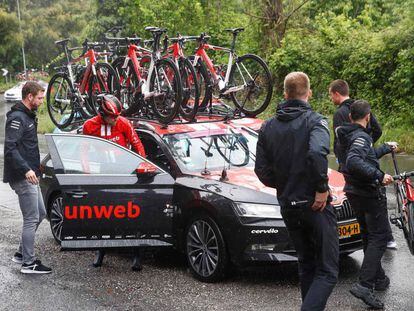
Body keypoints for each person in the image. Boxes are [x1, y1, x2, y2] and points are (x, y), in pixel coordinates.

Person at [255, 72, 339, 311]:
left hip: (289, 205)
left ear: (285, 94)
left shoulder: (267, 126)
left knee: (307, 264)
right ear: (309, 93)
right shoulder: (316, 121)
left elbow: (261, 170)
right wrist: (321, 189)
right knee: (328, 271)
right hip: (315, 205)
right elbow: (316, 153)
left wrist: (286, 183)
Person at [337, 100, 396, 309]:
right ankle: (364, 285)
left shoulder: (347, 135)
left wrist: (384, 149)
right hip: (367, 192)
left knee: (368, 235)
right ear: (368, 116)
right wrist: (379, 176)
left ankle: (378, 278)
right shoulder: (361, 137)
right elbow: (354, 161)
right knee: (379, 237)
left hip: (354, 192)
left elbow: (364, 156)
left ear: (350, 117)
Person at [329, 79, 397, 250]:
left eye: (331, 94)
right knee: (375, 206)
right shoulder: (362, 106)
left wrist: (353, 152)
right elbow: (378, 129)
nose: (331, 98)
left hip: (352, 166)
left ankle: (373, 249)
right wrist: (366, 145)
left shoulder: (341, 114)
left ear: (337, 93)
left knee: (363, 207)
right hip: (363, 162)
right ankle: (386, 239)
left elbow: (340, 142)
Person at [3, 81, 52, 274]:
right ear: (29, 96)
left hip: (31, 174)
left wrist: (36, 166)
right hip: (23, 176)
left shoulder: (27, 115)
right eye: (39, 97)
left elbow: (27, 146)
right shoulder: (17, 117)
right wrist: (26, 170)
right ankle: (29, 263)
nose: (41, 101)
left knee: (40, 213)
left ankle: (21, 254)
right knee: (31, 218)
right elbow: (10, 148)